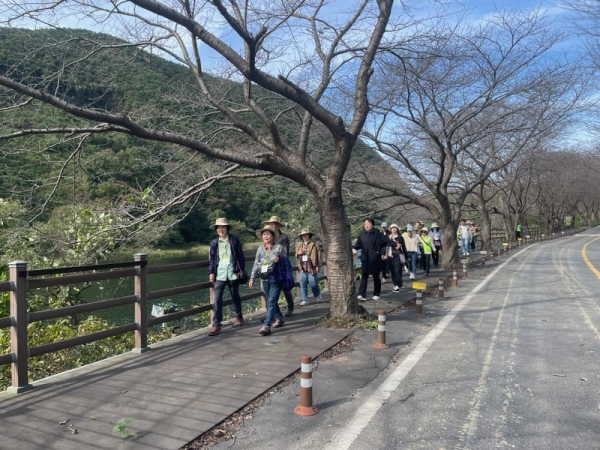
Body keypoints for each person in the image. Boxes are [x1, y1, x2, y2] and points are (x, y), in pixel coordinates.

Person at [207, 218, 245, 336]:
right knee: (217, 299)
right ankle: (216, 324)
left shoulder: (234, 240)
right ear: (216, 230)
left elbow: (240, 256)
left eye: (223, 227)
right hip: (220, 273)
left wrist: (240, 269)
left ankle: (238, 317)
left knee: (235, 295)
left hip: (232, 272)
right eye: (218, 228)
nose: (220, 229)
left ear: (227, 228)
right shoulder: (214, 243)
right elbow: (212, 259)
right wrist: (211, 272)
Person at [248, 224, 285, 336]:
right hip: (264, 278)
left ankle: (267, 325)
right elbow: (256, 263)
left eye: (268, 234)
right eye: (264, 234)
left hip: (276, 278)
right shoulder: (260, 248)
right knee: (271, 300)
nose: (266, 236)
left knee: (271, 301)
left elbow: (286, 263)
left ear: (273, 236)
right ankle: (279, 318)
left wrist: (279, 259)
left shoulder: (279, 248)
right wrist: (252, 278)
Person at [264, 215, 295, 317]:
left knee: (285, 288)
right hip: (270, 267)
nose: (273, 226)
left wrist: (278, 259)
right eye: (271, 224)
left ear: (278, 225)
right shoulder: (267, 236)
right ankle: (272, 313)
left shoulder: (283, 237)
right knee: (271, 291)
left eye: (275, 224)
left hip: (281, 265)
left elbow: (285, 252)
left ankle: (290, 306)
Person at [353, 218, 387, 301]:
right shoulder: (362, 234)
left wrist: (382, 253)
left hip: (375, 258)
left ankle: (376, 293)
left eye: (368, 224)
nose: (366, 225)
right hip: (365, 258)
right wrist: (353, 248)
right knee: (364, 276)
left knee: (376, 276)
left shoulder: (377, 234)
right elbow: (358, 245)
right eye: (365, 224)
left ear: (372, 224)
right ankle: (361, 294)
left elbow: (383, 245)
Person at [295, 228, 322, 306]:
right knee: (302, 283)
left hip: (312, 266)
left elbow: (319, 255)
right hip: (302, 266)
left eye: (306, 235)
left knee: (313, 283)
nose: (304, 236)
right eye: (303, 235)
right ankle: (304, 299)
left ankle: (317, 295)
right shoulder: (299, 244)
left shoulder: (314, 244)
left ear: (309, 235)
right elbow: (296, 254)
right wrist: (298, 253)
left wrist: (318, 265)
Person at [387, 224, 408, 292]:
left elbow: (404, 247)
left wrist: (406, 256)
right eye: (392, 228)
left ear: (397, 229)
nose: (393, 229)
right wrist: (386, 255)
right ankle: (395, 284)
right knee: (392, 271)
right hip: (390, 255)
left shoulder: (400, 237)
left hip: (398, 255)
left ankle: (398, 284)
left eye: (395, 228)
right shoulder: (388, 237)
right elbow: (387, 247)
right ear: (390, 230)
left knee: (397, 270)